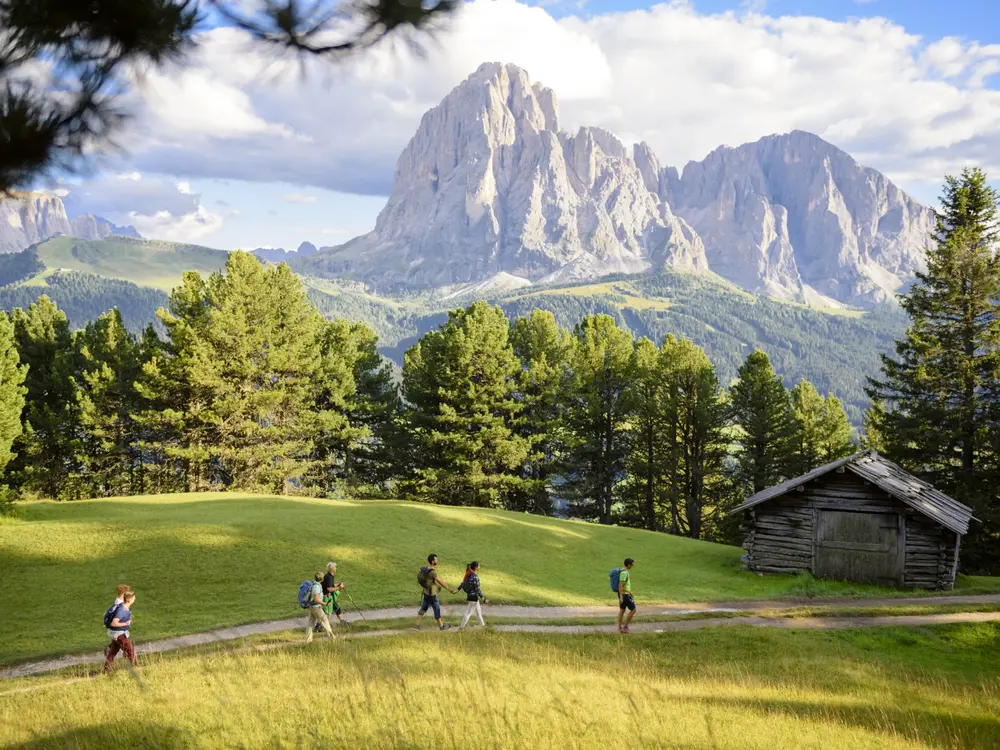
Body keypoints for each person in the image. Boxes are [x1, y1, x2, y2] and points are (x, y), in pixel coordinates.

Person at [416, 553, 456, 631]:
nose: (437, 560)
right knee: (437, 609)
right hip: (432, 595)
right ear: (432, 561)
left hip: (426, 593)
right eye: (436, 559)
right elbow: (440, 581)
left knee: (423, 608)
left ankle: (416, 625)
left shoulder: (426, 569)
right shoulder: (432, 572)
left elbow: (430, 581)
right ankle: (441, 627)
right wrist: (449, 589)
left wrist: (437, 586)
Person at [104, 591, 137, 674]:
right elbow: (114, 623)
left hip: (116, 634)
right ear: (129, 600)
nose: (134, 599)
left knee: (113, 652)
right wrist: (125, 623)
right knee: (131, 650)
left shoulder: (125, 607)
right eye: (133, 598)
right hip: (120, 635)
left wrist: (128, 621)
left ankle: (106, 670)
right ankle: (134, 668)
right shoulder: (121, 610)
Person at [305, 571, 335, 643]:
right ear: (322, 578)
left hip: (311, 607)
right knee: (324, 621)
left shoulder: (314, 584)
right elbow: (316, 599)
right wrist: (324, 603)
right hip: (316, 607)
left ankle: (308, 640)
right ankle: (332, 637)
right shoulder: (317, 587)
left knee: (310, 623)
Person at [103, 584, 131, 659]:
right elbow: (117, 617)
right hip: (118, 629)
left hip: (116, 629)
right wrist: (126, 621)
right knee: (129, 648)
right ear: (124, 593)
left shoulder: (118, 601)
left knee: (116, 646)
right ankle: (129, 657)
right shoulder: (120, 603)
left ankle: (112, 651)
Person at [457, 561, 488, 630]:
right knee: (468, 613)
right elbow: (478, 589)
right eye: (479, 566)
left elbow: (463, 583)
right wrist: (483, 599)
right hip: (474, 597)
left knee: (478, 613)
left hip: (471, 596)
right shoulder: (475, 577)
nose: (480, 567)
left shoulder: (470, 575)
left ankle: (483, 627)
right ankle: (461, 628)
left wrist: (457, 589)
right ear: (476, 568)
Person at [321, 562, 348, 628]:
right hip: (327, 597)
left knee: (336, 608)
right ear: (332, 569)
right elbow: (329, 589)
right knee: (326, 612)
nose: (336, 568)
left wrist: (338, 584)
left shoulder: (329, 576)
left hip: (329, 596)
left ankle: (342, 621)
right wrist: (339, 588)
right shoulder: (329, 577)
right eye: (335, 567)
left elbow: (331, 586)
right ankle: (319, 626)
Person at [617, 558, 636, 634]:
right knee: (633, 610)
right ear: (628, 564)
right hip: (625, 595)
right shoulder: (624, 573)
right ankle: (625, 627)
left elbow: (624, 585)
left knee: (622, 610)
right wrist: (621, 596)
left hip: (625, 593)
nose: (632, 566)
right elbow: (620, 585)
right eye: (632, 564)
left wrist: (630, 591)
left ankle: (620, 627)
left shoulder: (623, 571)